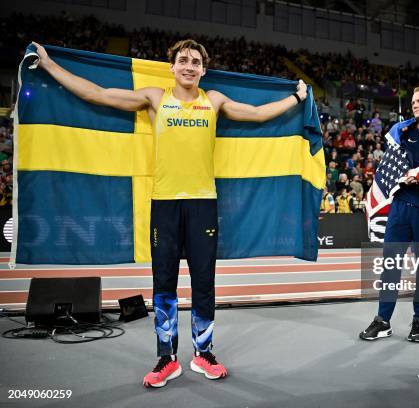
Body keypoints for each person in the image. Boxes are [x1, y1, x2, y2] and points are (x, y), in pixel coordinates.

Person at [32, 39, 308, 386]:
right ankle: (166, 358)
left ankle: (203, 354)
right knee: (164, 284)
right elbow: (98, 94)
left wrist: (296, 98)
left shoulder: (215, 100)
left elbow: (255, 114)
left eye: (195, 61)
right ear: (172, 67)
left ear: (203, 70)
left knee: (203, 284)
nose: (189, 66)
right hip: (164, 204)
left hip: (203, 204)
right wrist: (48, 65)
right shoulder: (154, 98)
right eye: (183, 60)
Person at [359, 87, 419, 343]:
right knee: (390, 265)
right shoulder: (403, 132)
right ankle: (383, 320)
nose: (415, 105)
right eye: (413, 102)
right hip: (399, 206)